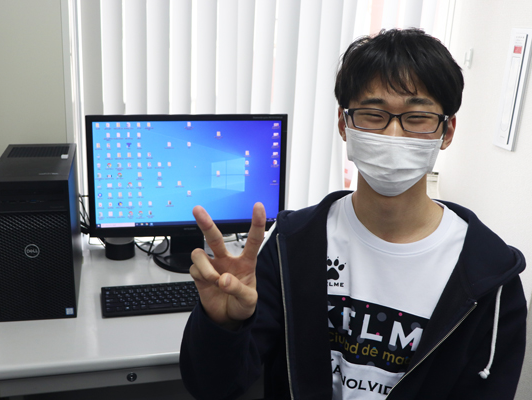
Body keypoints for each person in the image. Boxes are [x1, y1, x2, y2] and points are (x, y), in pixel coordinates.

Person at [180, 28, 527, 400]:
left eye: (417, 117)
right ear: (343, 124)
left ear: (447, 130)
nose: (394, 134)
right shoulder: (292, 245)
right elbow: (214, 388)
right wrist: (222, 324)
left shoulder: (490, 277)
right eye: (373, 114)